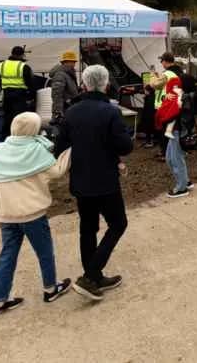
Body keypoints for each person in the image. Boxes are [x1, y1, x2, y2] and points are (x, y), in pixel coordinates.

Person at [55, 65, 133, 301]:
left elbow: (59, 148)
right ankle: (90, 275)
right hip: (106, 180)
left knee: (87, 228)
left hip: (80, 179)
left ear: (84, 85)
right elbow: (125, 146)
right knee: (118, 223)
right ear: (106, 84)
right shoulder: (110, 112)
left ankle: (94, 275)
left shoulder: (72, 112)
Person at [0, 112, 72, 317]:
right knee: (44, 253)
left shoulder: (0, 149)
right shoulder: (36, 150)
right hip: (33, 214)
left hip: (7, 215)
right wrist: (70, 150)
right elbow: (57, 171)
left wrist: (0, 203)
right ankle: (51, 289)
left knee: (7, 256)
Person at [150, 53, 185, 156]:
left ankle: (165, 152)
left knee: (164, 131)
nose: (161, 63)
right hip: (176, 104)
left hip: (165, 105)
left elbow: (155, 85)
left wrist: (152, 75)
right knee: (173, 129)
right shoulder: (179, 72)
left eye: (162, 61)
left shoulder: (168, 74)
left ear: (165, 61)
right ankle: (173, 151)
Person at [0, 46, 34, 141]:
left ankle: (5, 138)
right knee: (19, 118)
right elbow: (30, 83)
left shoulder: (2, 65)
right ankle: (18, 138)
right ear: (22, 55)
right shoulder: (23, 66)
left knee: (7, 117)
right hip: (19, 95)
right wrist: (32, 97)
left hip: (6, 95)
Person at [49, 50, 80, 124]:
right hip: (64, 111)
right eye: (73, 62)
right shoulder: (60, 75)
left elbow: (68, 90)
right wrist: (58, 113)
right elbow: (56, 95)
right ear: (66, 62)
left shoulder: (68, 74)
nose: (74, 64)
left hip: (70, 109)